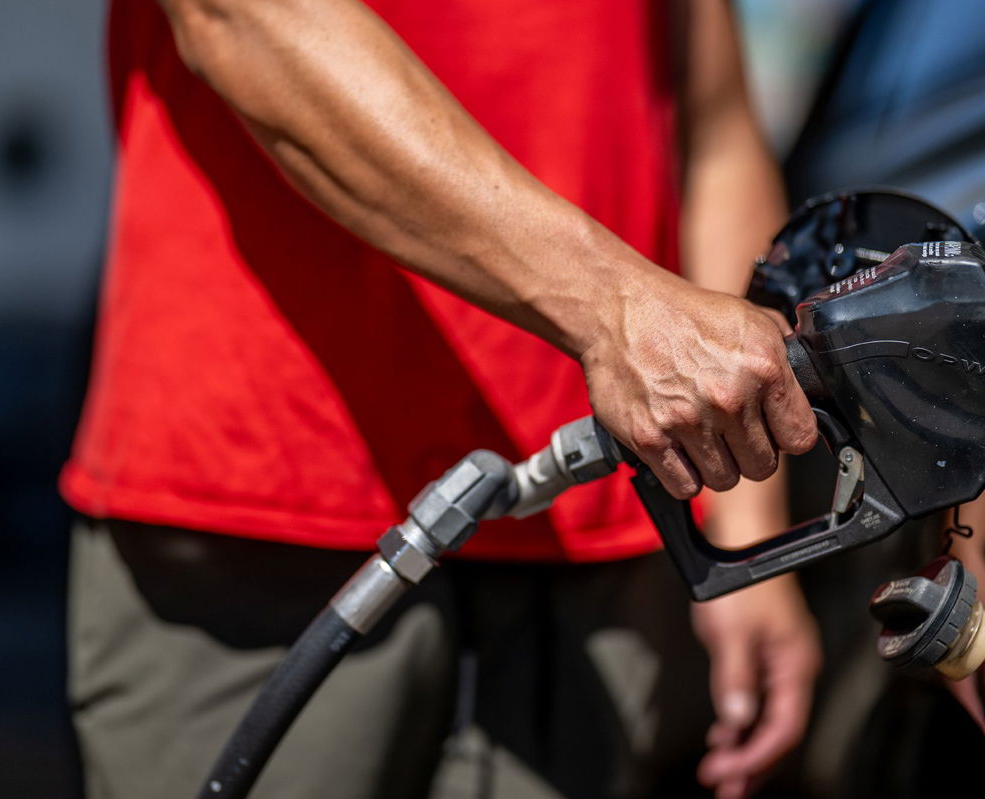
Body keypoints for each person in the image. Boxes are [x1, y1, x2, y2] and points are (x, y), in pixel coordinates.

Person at [61, 1, 821, 797]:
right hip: (263, 515)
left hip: (604, 532)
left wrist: (747, 538)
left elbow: (714, 134)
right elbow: (246, 19)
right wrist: (614, 306)